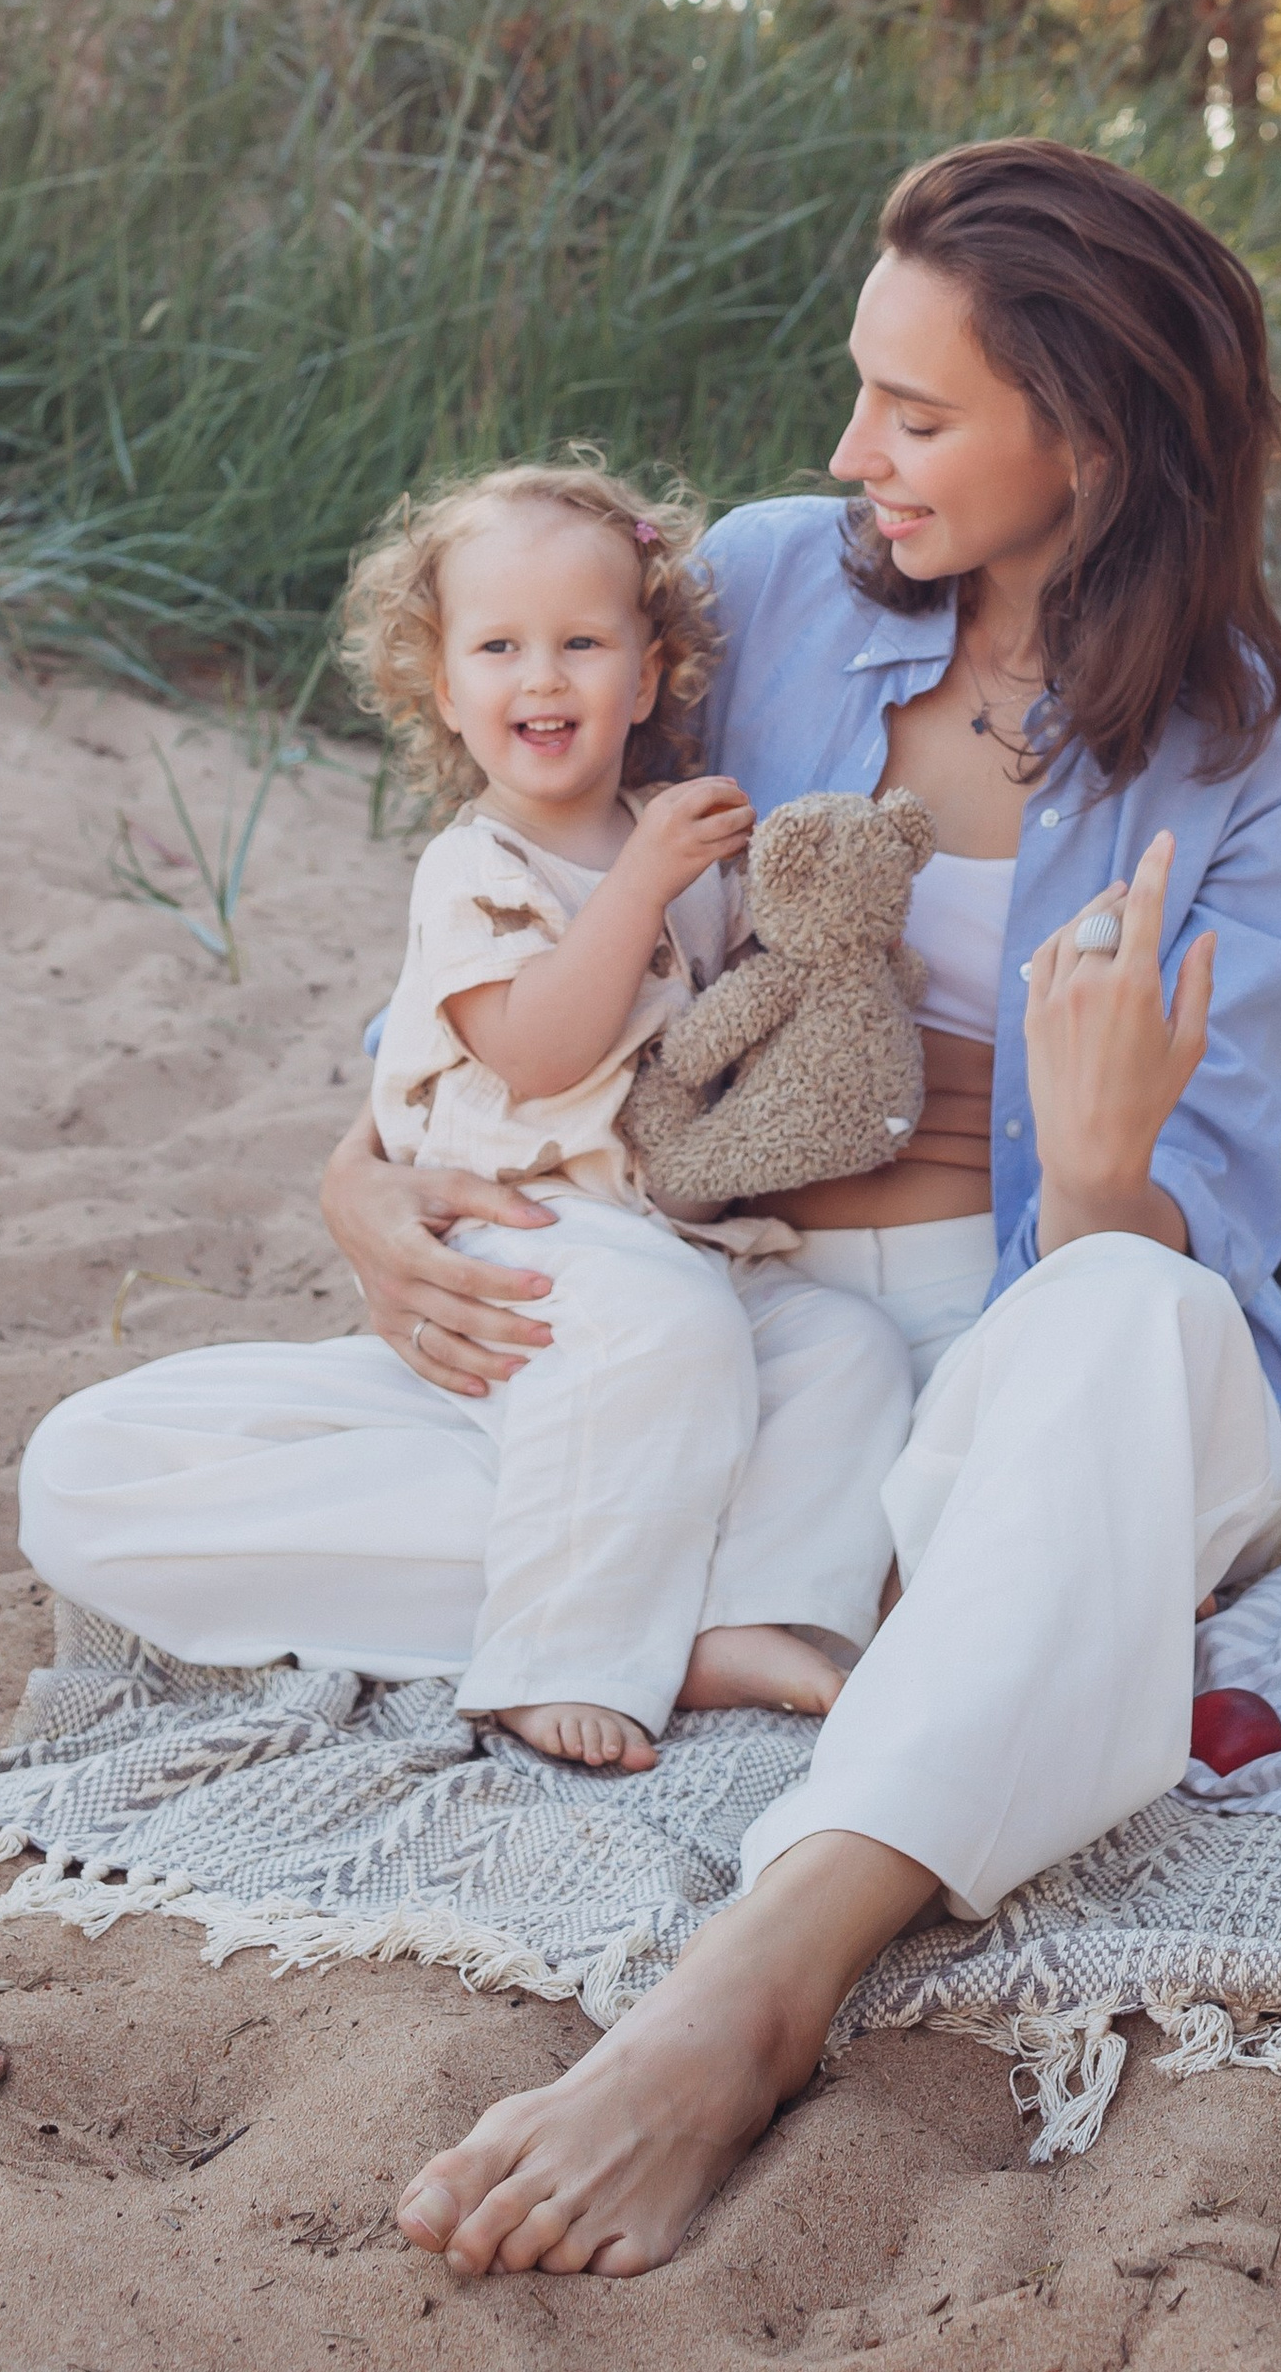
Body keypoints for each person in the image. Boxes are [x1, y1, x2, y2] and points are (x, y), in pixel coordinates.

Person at [17, 135, 1281, 2280]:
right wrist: (365, 1181)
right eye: (860, 388)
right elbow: (521, 907)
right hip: (697, 1317)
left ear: (1091, 437)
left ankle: (754, 1981)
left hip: (1018, 1347)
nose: (850, 453)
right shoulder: (764, 584)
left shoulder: (1265, 761)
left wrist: (1110, 1166)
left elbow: (1164, 1250)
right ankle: (844, 1619)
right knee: (104, 1471)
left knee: (1132, 1338)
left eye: (913, 412)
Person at [338, 459, 912, 1770]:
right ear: (445, 688)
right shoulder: (473, 867)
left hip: (664, 1230)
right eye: (499, 647)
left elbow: (740, 1002)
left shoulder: (670, 836)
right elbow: (539, 1051)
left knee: (847, 1346)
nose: (541, 678)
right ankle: (559, 1651)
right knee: (666, 1326)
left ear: (648, 678)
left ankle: (745, 1612)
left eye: (582, 645)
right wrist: (643, 882)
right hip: (521, 1218)